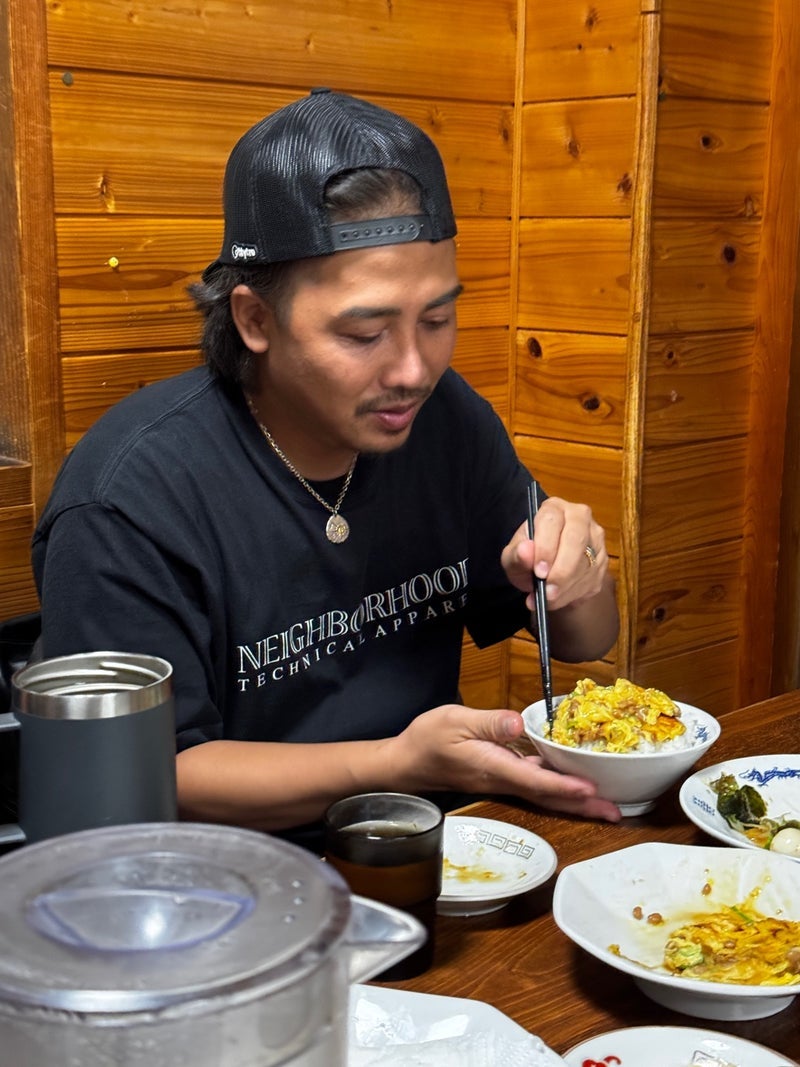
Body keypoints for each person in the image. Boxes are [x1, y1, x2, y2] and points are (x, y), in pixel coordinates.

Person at [32, 88, 621, 843]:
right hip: (222, 880)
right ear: (255, 319)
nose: (414, 370)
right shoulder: (130, 497)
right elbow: (150, 775)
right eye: (365, 333)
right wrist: (399, 764)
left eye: (437, 318)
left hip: (428, 855)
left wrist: (580, 572)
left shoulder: (444, 420)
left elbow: (585, 641)